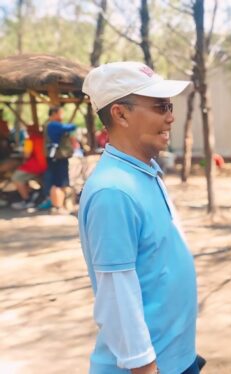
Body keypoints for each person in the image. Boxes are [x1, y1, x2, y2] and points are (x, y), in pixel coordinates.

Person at [79, 61, 201, 373]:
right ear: (120, 113)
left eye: (169, 106)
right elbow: (116, 295)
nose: (170, 117)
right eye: (160, 106)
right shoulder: (113, 191)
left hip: (173, 358)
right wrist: (145, 367)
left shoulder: (144, 173)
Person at [43, 106, 76, 214]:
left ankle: (58, 206)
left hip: (55, 157)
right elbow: (71, 127)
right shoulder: (53, 125)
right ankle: (58, 207)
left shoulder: (49, 124)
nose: (62, 116)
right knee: (59, 183)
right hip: (58, 157)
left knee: (56, 182)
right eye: (60, 113)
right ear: (54, 113)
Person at [10, 126, 47, 209]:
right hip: (46, 165)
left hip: (35, 165)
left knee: (16, 178)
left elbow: (27, 154)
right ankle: (32, 194)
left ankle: (27, 200)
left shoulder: (30, 139)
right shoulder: (43, 138)